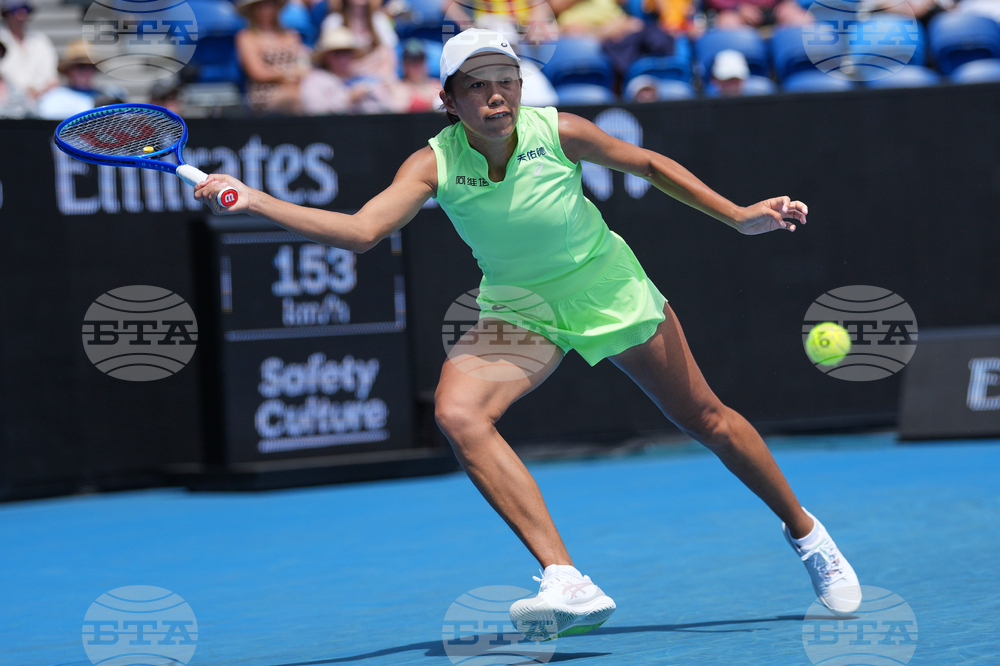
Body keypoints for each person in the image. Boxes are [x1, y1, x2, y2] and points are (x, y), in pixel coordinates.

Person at [194, 27, 862, 641]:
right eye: (477, 84)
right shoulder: (431, 164)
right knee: (459, 414)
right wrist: (255, 200)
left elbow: (649, 165)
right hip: (519, 308)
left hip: (607, 288)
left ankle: (807, 535)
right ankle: (566, 578)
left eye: (505, 80)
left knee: (707, 419)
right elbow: (363, 231)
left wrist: (739, 215)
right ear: (449, 100)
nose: (495, 94)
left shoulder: (559, 130)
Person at [301, 26, 405, 114]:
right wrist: (348, 99)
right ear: (326, 57)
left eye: (347, 52)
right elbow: (313, 110)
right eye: (337, 53)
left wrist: (387, 89)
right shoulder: (316, 80)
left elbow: (393, 108)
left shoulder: (366, 80)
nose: (342, 58)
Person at [235, 0, 312, 114]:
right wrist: (287, 74)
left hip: (296, 87)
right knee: (293, 99)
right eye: (260, 6)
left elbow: (303, 66)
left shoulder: (291, 35)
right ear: (252, 10)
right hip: (263, 93)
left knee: (312, 94)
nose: (266, 9)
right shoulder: (246, 37)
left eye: (270, 4)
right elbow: (258, 73)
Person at [37, 40, 127, 119]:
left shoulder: (110, 94)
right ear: (69, 70)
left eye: (91, 66)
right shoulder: (54, 98)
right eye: (81, 66)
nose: (87, 71)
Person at [0, 0, 57, 101]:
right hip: (7, 99)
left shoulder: (40, 40)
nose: (21, 16)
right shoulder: (2, 39)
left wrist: (39, 93)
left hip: (42, 99)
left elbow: (52, 79)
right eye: (15, 11)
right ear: (5, 13)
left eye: (25, 10)